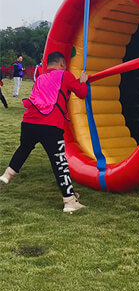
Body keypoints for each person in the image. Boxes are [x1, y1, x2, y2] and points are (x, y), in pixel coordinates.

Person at [0, 51, 88, 213]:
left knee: (24, 148)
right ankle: (69, 201)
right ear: (62, 64)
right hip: (50, 125)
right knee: (59, 162)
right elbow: (82, 93)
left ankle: (7, 175)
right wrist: (82, 82)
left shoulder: (40, 78)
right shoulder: (65, 75)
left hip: (28, 121)